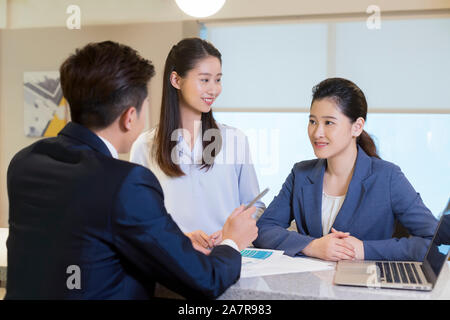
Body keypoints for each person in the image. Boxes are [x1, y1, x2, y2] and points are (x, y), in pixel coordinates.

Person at [6, 41, 258, 300]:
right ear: (129, 117)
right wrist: (231, 243)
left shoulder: (25, 162)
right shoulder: (126, 182)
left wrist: (173, 240)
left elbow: (87, 233)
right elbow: (206, 280)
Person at [253, 77, 438, 262]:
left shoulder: (388, 177)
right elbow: (264, 229)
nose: (317, 133)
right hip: (310, 285)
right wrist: (312, 246)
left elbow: (435, 242)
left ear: (356, 127)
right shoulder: (301, 174)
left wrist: (365, 250)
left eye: (329, 123)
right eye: (312, 121)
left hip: (368, 285)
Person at [130, 38, 265, 253]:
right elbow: (138, 218)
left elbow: (254, 205)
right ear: (176, 80)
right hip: (173, 260)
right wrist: (181, 238)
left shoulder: (234, 139)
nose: (214, 89)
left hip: (226, 257)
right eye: (204, 80)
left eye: (218, 79)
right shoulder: (145, 146)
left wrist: (231, 233)